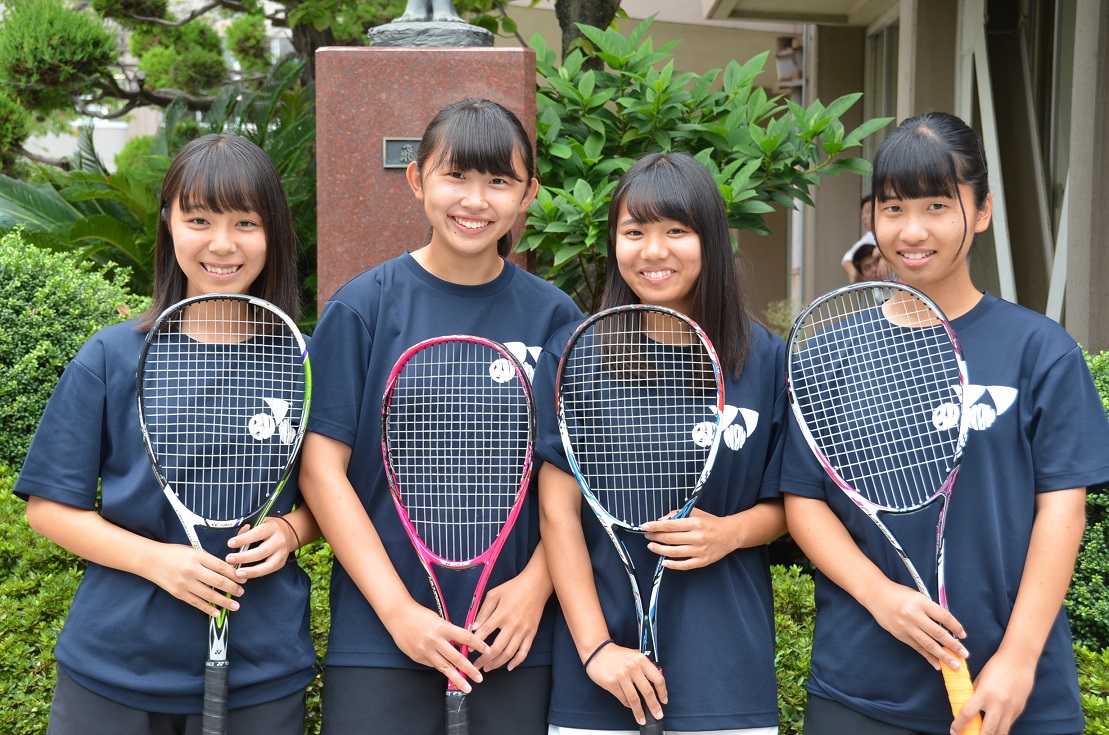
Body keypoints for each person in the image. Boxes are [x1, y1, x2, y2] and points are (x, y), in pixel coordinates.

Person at [783, 111, 1109, 735]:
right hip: (861, 692)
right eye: (893, 207)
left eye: (937, 205)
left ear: (981, 211)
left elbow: (1063, 508)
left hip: (1013, 695)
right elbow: (805, 500)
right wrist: (884, 598)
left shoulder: (1041, 350)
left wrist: (1017, 661)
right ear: (871, 218)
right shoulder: (829, 352)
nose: (912, 230)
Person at [14, 133, 319, 734]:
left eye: (246, 222)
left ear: (274, 232)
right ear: (169, 225)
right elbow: (49, 507)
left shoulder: (305, 362)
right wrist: (158, 563)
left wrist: (290, 530)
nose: (222, 244)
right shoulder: (110, 356)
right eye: (199, 219)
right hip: (115, 668)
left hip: (262, 669)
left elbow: (332, 496)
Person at [299, 98, 583, 735]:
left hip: (513, 639)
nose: (475, 201)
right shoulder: (362, 309)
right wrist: (399, 612)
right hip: (380, 640)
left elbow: (574, 475)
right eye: (457, 176)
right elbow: (322, 472)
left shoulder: (556, 317)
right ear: (417, 178)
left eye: (499, 182)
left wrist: (539, 584)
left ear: (528, 195)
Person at [535, 151, 788, 734]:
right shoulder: (575, 356)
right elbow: (559, 515)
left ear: (711, 240)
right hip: (599, 674)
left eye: (677, 230)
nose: (654, 251)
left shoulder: (766, 358)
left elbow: (789, 504)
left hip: (727, 665)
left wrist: (730, 532)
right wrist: (597, 649)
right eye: (634, 231)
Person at [842, 194, 877, 282]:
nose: (863, 217)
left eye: (868, 212)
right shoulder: (870, 236)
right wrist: (854, 274)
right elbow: (847, 257)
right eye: (863, 213)